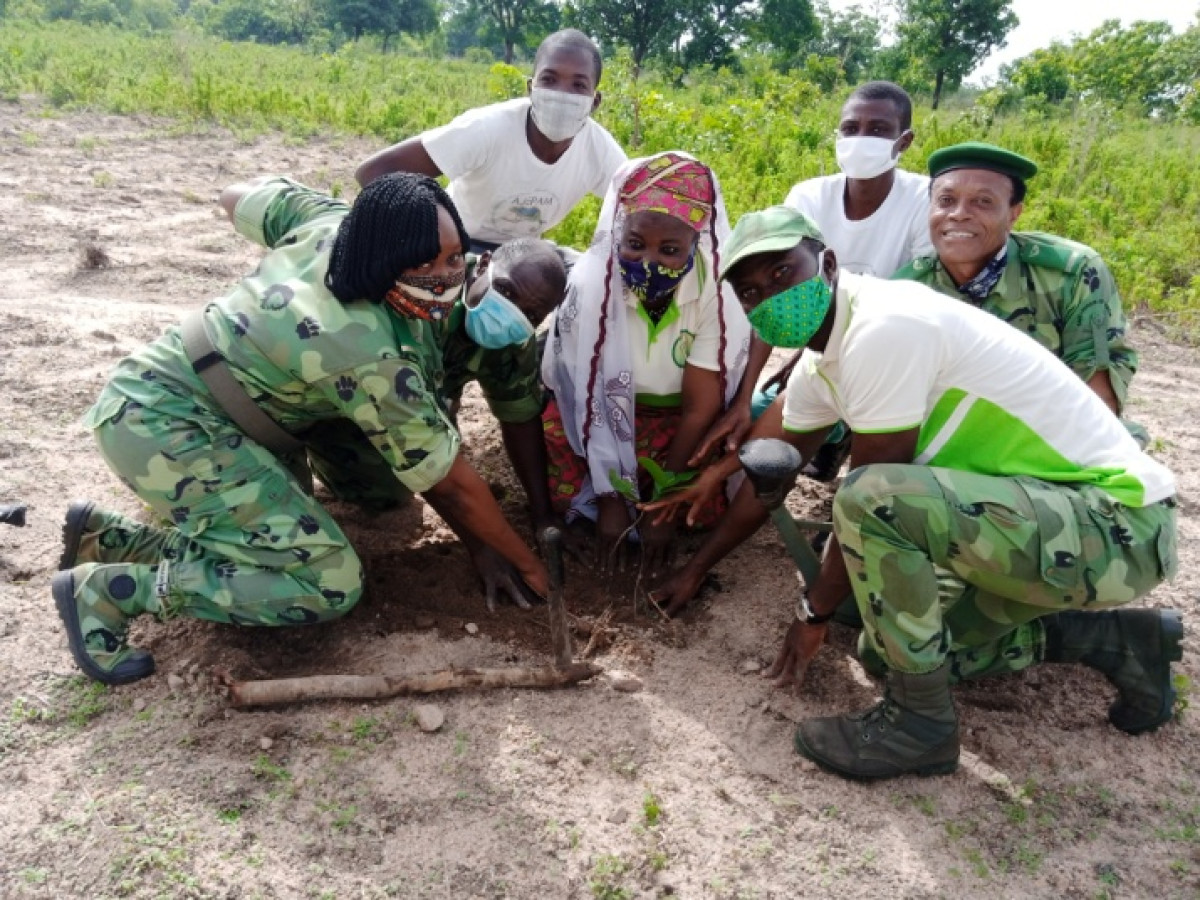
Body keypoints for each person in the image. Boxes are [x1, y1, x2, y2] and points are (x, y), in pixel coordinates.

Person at [647, 206, 1180, 779]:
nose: (770, 299)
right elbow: (769, 463)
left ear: (826, 262)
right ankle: (1119, 641)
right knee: (890, 646)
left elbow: (871, 500)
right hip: (1039, 522)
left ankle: (920, 725)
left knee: (868, 500)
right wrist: (698, 566)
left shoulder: (885, 327)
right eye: (751, 293)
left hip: (1114, 525)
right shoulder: (827, 357)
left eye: (782, 275)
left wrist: (812, 612)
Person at [54, 174, 560, 686]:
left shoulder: (334, 223)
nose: (444, 276)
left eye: (454, 258)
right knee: (327, 580)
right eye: (424, 263)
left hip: (224, 409)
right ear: (384, 253)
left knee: (375, 498)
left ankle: (113, 537)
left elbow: (235, 197)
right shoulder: (369, 349)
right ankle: (114, 591)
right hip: (165, 424)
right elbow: (449, 483)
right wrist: (529, 565)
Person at [695, 81, 933, 475]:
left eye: (877, 130)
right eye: (850, 128)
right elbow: (770, 294)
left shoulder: (923, 200)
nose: (860, 139)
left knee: (876, 450)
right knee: (755, 416)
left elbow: (915, 296)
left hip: (890, 354)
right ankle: (828, 440)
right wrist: (743, 397)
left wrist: (818, 351)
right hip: (825, 349)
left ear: (903, 141)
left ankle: (846, 445)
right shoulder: (809, 198)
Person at [540, 152, 751, 574]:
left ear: (697, 241)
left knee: (700, 496)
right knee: (565, 469)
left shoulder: (716, 292)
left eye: (670, 250)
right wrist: (609, 496)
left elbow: (699, 409)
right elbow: (591, 397)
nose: (649, 262)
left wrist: (663, 505)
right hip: (600, 416)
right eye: (635, 245)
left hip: (676, 421)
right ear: (618, 232)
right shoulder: (592, 285)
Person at [894, 141, 1137, 419]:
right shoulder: (908, 290)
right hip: (947, 441)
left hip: (1054, 433)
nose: (959, 213)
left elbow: (1097, 398)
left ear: (1013, 214)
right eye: (946, 201)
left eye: (983, 202)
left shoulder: (1072, 273)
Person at [355, 29, 627, 253]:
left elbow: (642, 204)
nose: (561, 94)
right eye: (549, 79)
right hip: (457, 243)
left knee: (583, 277)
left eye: (578, 85)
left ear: (595, 101)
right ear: (531, 89)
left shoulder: (597, 148)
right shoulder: (488, 129)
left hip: (523, 254)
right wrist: (430, 232)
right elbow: (373, 172)